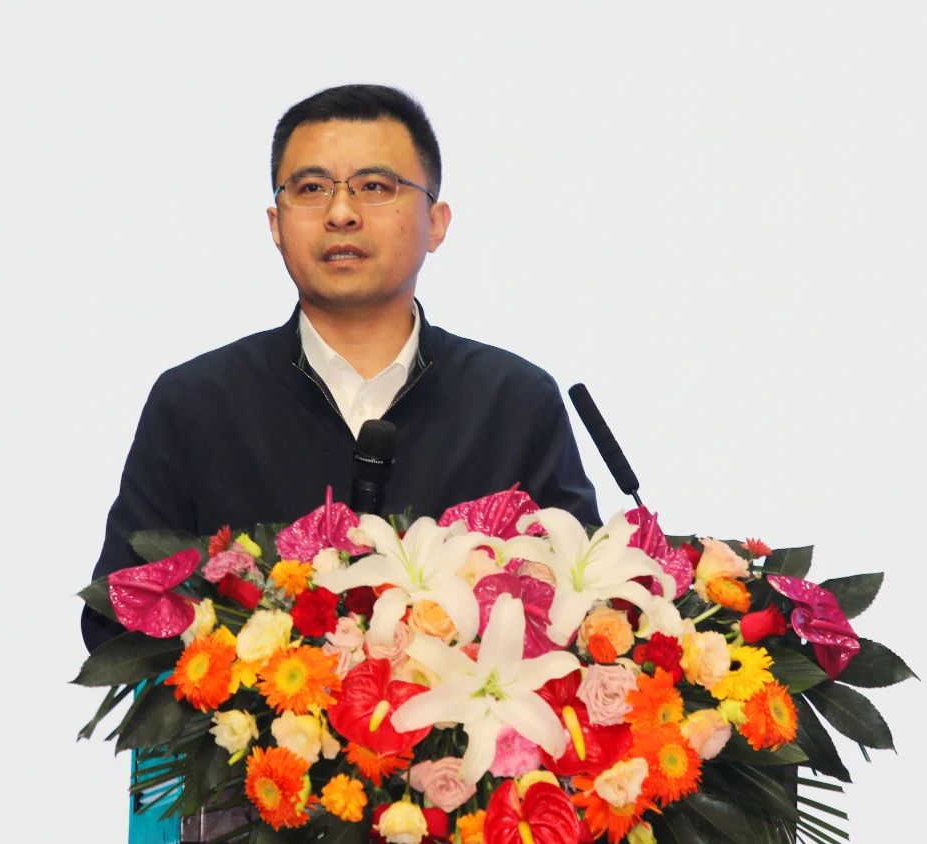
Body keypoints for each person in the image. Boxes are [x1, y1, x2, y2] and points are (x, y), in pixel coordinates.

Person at [83, 84, 601, 841]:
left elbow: (584, 617)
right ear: (275, 224)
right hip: (254, 811)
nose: (341, 212)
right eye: (310, 188)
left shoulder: (513, 399)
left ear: (437, 222)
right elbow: (115, 620)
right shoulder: (196, 402)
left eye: (375, 186)